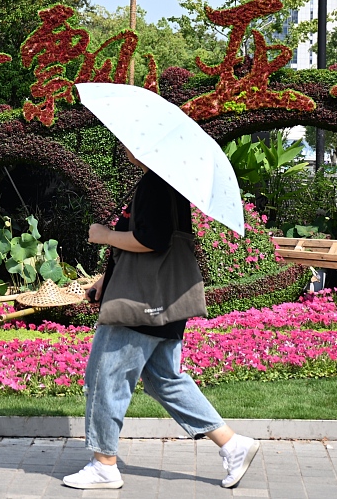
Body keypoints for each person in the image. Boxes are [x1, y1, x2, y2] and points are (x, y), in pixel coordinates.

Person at [62, 146, 260, 490]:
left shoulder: (156, 185)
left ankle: (104, 465)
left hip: (140, 307)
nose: (124, 148)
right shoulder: (165, 184)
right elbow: (152, 244)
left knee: (105, 379)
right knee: (164, 379)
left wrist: (102, 235)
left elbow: (150, 241)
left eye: (129, 142)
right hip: (163, 304)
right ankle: (233, 444)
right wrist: (105, 281)